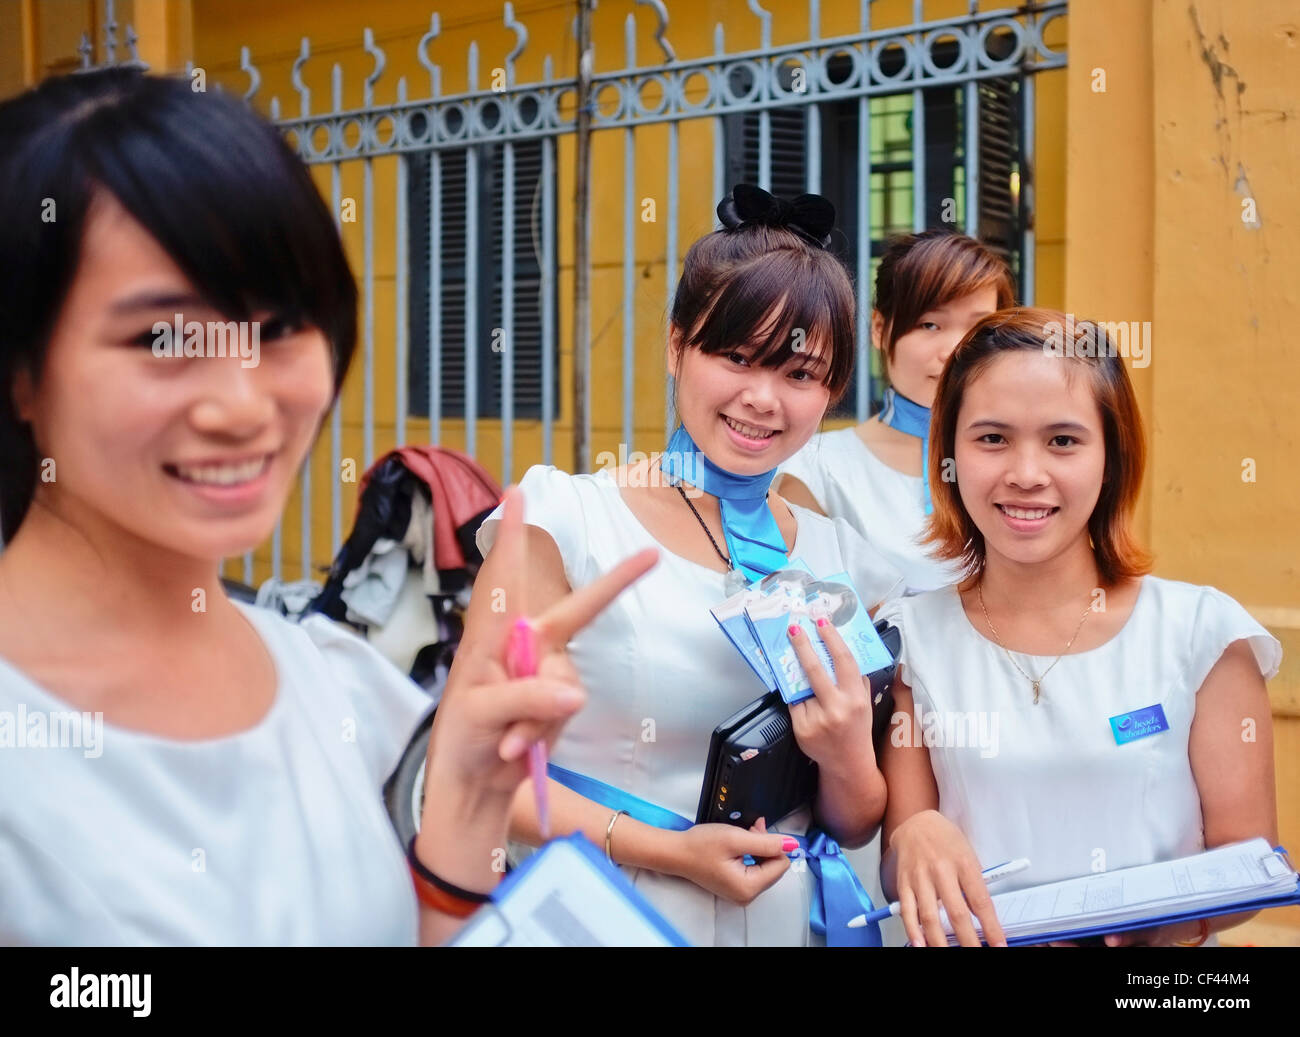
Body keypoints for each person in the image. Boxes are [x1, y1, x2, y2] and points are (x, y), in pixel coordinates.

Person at [0, 67, 653, 946]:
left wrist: (467, 792)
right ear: (21, 371)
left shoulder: (329, 679)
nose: (241, 403)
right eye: (163, 337)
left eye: (276, 329)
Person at [458, 185, 905, 946]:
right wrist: (665, 850)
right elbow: (473, 765)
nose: (763, 399)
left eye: (800, 374)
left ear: (830, 389)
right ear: (676, 346)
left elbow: (856, 817)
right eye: (735, 357)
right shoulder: (563, 520)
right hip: (601, 914)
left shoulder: (849, 565)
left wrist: (843, 750)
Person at [875, 308, 1281, 947]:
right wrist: (911, 835)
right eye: (992, 439)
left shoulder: (1203, 633)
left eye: (1063, 440)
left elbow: (1246, 858)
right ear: (949, 454)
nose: (1026, 474)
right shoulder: (910, 639)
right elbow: (904, 868)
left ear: (1111, 458)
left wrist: (1140, 923)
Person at [777, 231, 1015, 593]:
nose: (953, 349)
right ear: (879, 329)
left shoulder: (1029, 465)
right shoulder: (818, 470)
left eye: (979, 327)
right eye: (929, 324)